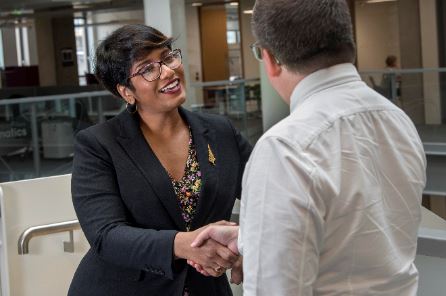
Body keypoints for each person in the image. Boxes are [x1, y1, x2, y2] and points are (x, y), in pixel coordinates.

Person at [189, 0, 426, 295]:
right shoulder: (397, 120)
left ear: (270, 59)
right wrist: (250, 237)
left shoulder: (286, 148)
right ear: (347, 43)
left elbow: (275, 289)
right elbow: (359, 230)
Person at [68, 24, 252, 296]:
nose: (168, 71)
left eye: (167, 57)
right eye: (148, 69)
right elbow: (106, 236)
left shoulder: (220, 132)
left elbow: (267, 196)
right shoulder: (98, 145)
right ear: (126, 91)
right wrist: (183, 244)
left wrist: (247, 244)